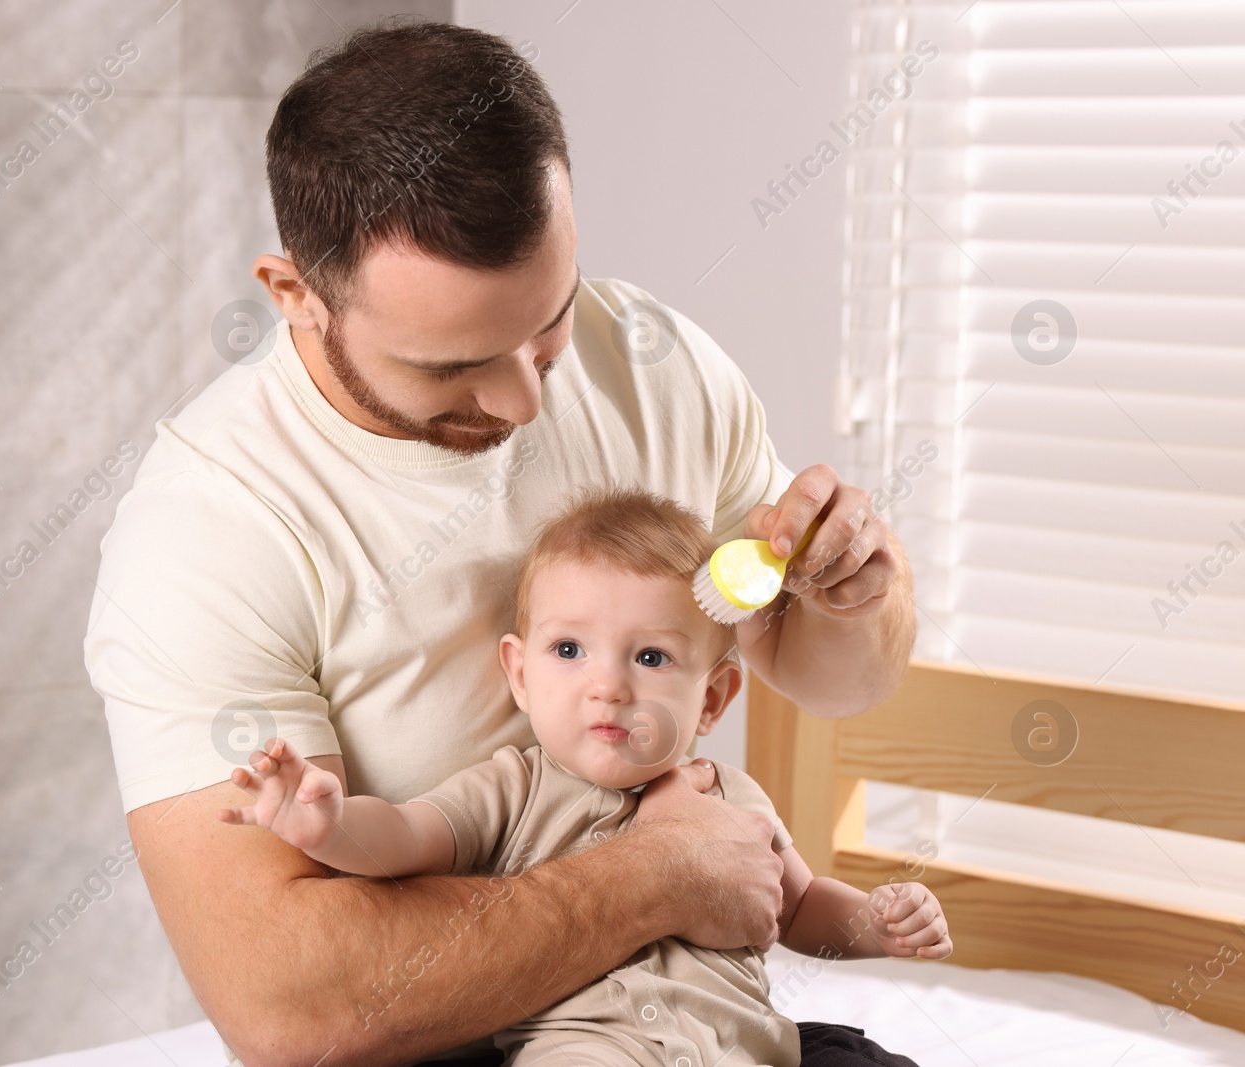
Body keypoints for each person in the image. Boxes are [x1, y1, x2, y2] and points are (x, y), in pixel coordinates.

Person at [82, 17, 916, 1067]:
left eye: (548, 322)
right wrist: (659, 873)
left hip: (692, 1014)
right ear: (295, 294)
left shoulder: (654, 364)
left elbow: (832, 677)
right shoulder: (208, 529)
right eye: (454, 365)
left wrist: (853, 596)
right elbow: (289, 1009)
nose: (524, 399)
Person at [216, 488, 947, 1067]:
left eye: (651, 658)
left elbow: (801, 906)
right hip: (588, 1049)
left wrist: (877, 923)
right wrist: (327, 822)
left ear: (713, 698)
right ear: (519, 673)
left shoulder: (732, 801)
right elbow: (404, 838)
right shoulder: (512, 787)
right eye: (569, 648)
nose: (608, 686)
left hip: (749, 1048)